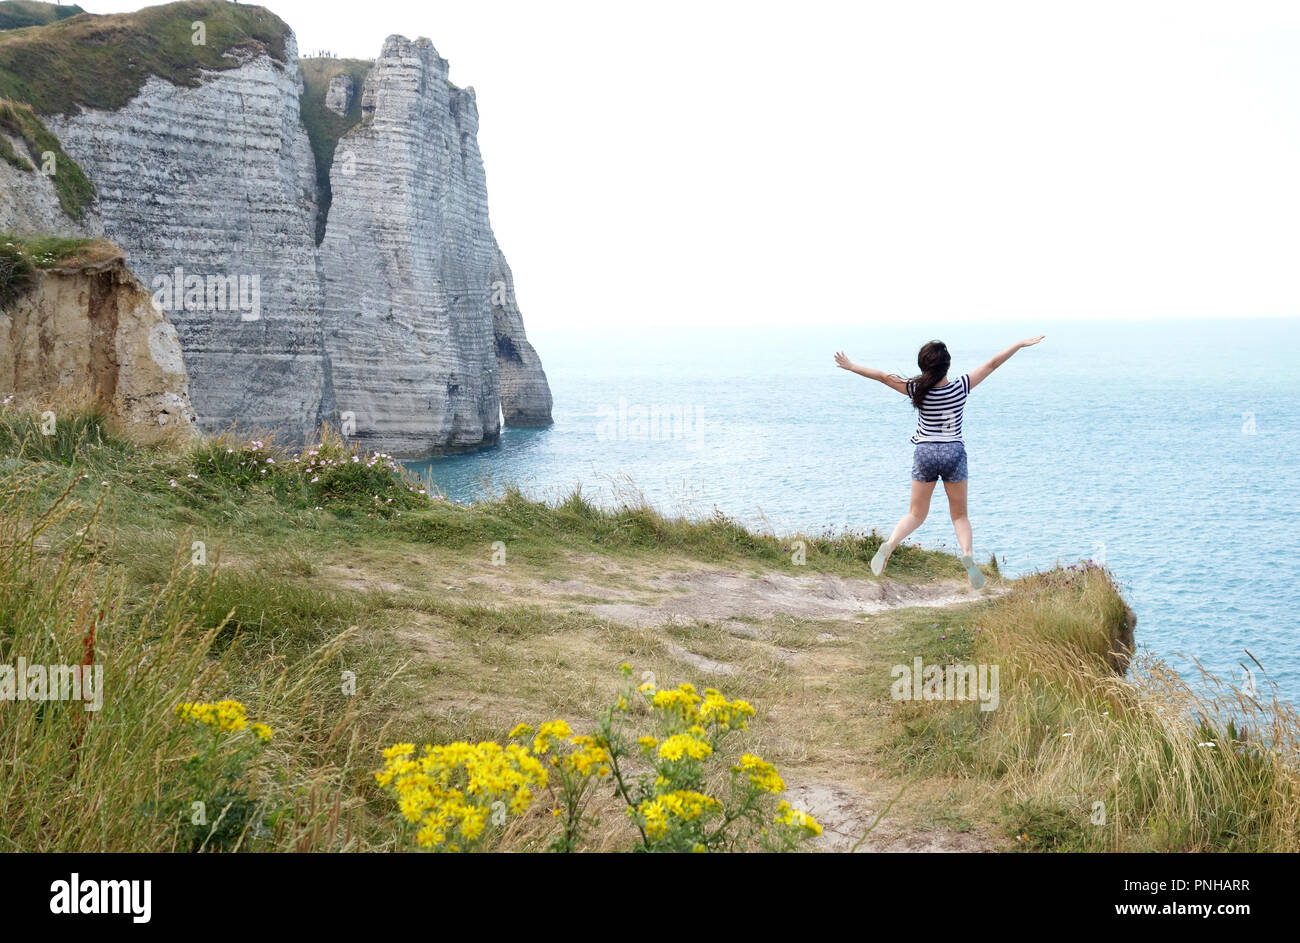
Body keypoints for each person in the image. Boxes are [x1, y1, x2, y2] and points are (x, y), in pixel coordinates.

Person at [833, 335, 1046, 588]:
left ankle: (890, 544)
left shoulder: (916, 389)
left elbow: (882, 376)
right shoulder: (960, 387)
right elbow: (992, 364)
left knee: (916, 514)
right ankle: (967, 555)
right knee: (959, 516)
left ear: (924, 366)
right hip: (953, 452)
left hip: (924, 452)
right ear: (947, 366)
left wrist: (851, 366)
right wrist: (1018, 344)